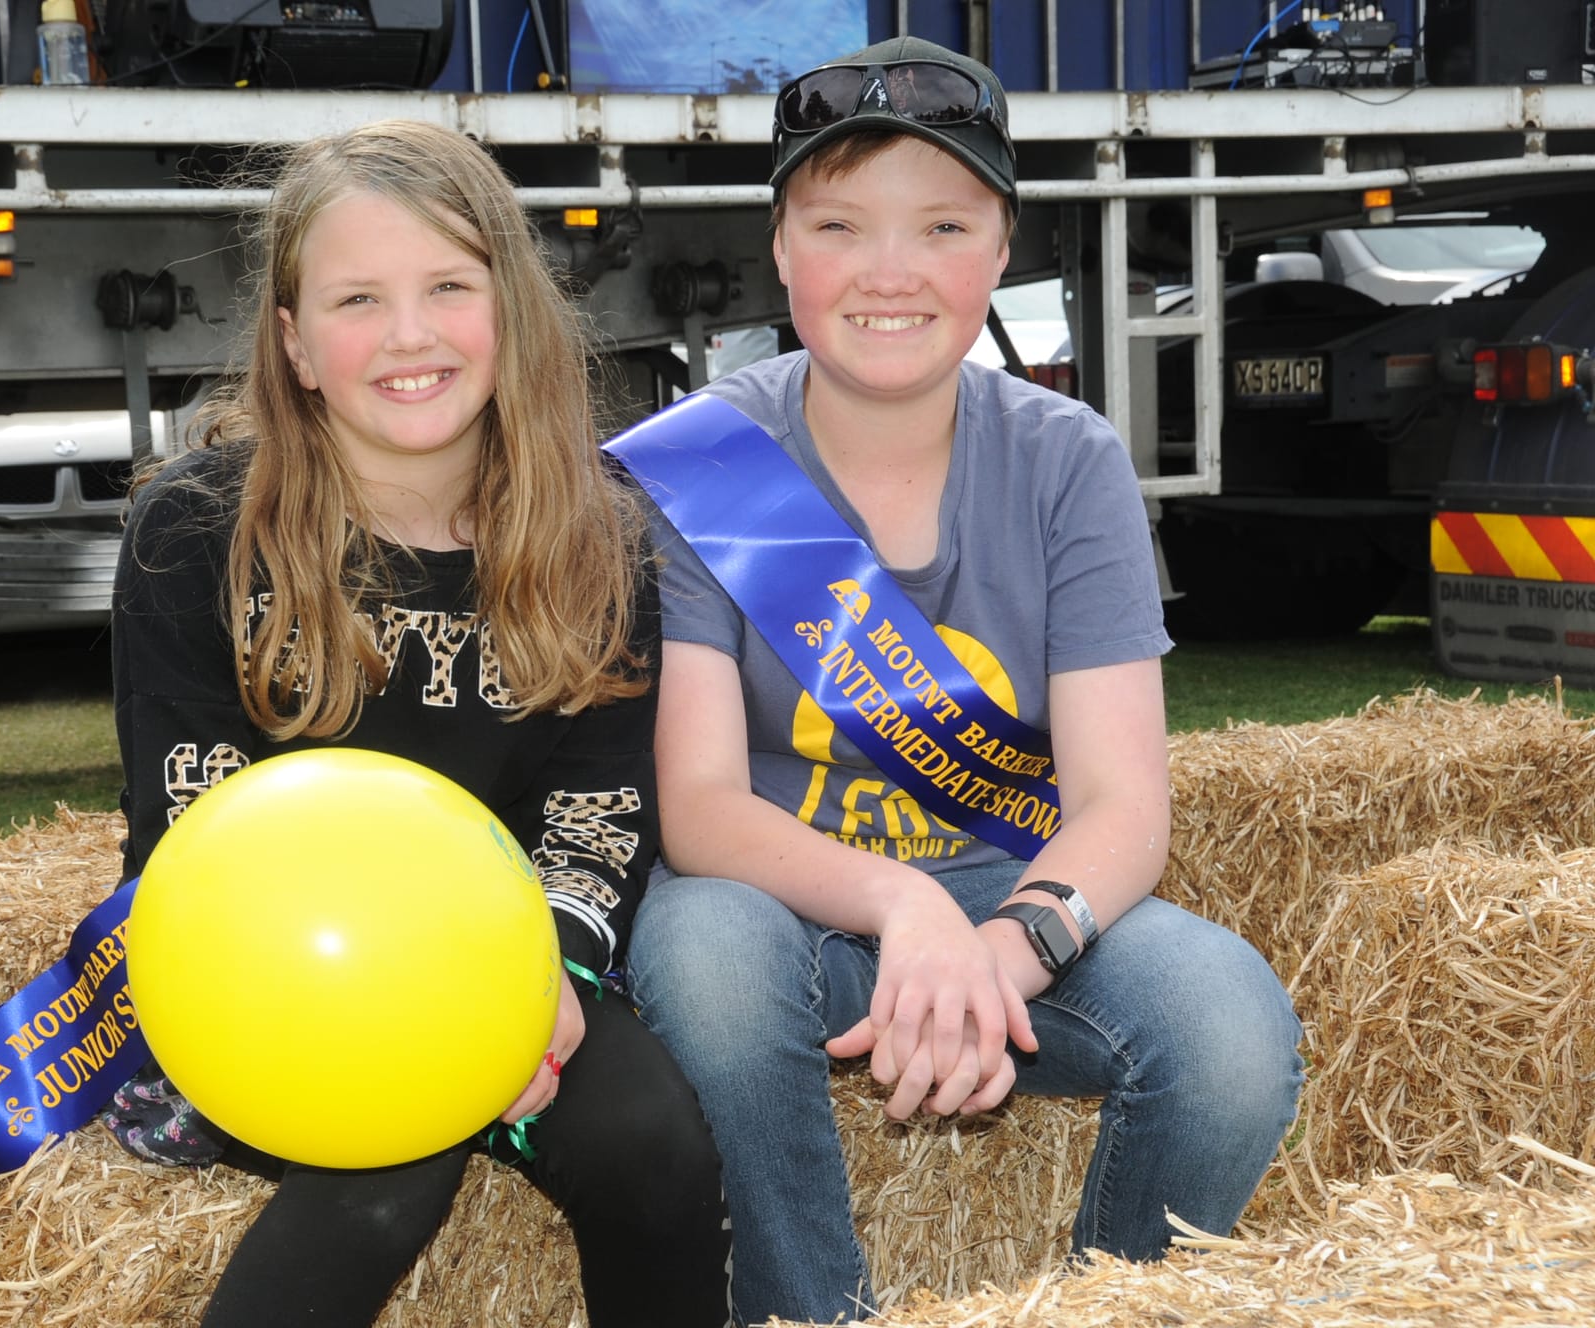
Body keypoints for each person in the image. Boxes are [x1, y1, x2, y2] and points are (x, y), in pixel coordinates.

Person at [615, 35, 1306, 1326]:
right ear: (780, 247)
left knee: (1225, 1024)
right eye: (838, 225)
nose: (889, 271)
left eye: (942, 226)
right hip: (785, 907)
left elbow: (1120, 804)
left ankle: (1113, 1305)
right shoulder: (705, 465)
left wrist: (1010, 941)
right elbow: (700, 808)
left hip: (1008, 900)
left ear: (1001, 254)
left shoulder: (1068, 460)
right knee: (701, 951)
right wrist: (901, 911)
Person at [101, 119, 731, 1328]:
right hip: (265, 974)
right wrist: (406, 1028)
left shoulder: (597, 535)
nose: (407, 334)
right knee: (390, 1157)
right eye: (355, 298)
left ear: (512, 309)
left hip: (509, 959)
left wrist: (541, 975)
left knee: (654, 1147)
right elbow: (186, 814)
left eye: (448, 285)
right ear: (291, 344)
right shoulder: (195, 530)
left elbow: (599, 803)